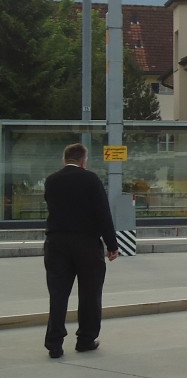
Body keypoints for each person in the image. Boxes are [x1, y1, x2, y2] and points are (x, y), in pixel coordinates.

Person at [42, 142, 119, 359]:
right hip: (86, 244)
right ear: (83, 160)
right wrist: (112, 245)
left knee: (58, 294)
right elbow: (103, 214)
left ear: (64, 159)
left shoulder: (52, 180)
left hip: (56, 243)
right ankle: (85, 339)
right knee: (90, 294)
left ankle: (54, 344)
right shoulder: (91, 179)